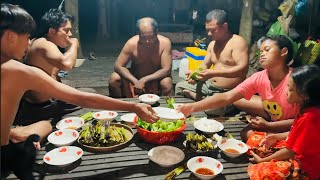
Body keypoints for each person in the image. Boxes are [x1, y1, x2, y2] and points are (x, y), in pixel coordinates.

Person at [1, 4, 157, 178]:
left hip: (21, 125)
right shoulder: (16, 69)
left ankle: (15, 137)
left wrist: (12, 132)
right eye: (27, 36)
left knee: (45, 125)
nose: (29, 42)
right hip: (7, 151)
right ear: (11, 37)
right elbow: (83, 98)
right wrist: (134, 107)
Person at [178, 35, 299, 141]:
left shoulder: (297, 80)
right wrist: (191, 107)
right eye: (261, 51)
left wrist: (269, 126)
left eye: (267, 50)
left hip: (297, 127)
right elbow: (227, 96)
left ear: (283, 52)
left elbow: (306, 121)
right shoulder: (259, 77)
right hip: (275, 120)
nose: (262, 54)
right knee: (246, 134)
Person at [248, 65, 320, 180]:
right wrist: (277, 136)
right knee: (258, 140)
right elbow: (297, 134)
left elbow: (290, 151)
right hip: (294, 150)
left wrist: (263, 161)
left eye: (290, 89)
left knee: (264, 172)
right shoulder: (306, 108)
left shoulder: (310, 117)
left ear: (305, 95)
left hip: (305, 166)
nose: (286, 92)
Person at [175, 9, 249, 116]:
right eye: (207, 30)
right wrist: (195, 74)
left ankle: (209, 102)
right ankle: (207, 101)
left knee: (213, 110)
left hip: (227, 91)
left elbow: (242, 70)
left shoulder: (237, 42)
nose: (209, 34)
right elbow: (205, 64)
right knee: (179, 86)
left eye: (213, 30)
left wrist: (214, 73)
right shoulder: (212, 44)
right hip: (209, 85)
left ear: (224, 26)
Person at [14, 8, 80, 125]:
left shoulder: (38, 41)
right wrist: (74, 44)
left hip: (39, 103)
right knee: (90, 97)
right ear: (52, 31)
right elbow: (67, 64)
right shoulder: (44, 44)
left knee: (76, 87)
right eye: (66, 30)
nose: (70, 34)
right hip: (43, 107)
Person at [108, 17, 173, 98]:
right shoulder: (131, 43)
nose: (147, 41)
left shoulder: (165, 43)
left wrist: (144, 80)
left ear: (157, 32)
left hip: (156, 80)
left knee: (167, 82)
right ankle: (120, 106)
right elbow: (118, 66)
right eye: (143, 37)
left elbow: (166, 70)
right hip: (136, 77)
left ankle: (165, 108)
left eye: (151, 37)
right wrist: (135, 81)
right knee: (114, 78)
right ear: (138, 34)